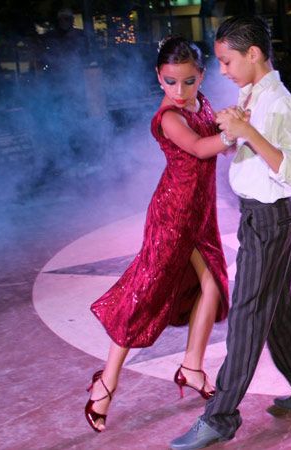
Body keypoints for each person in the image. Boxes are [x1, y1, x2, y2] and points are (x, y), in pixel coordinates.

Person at [170, 16, 291, 449]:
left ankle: (220, 417)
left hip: (271, 216)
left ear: (254, 54)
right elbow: (248, 149)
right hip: (258, 216)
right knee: (276, 309)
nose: (222, 70)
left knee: (247, 314)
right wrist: (234, 129)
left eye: (227, 61)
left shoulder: (279, 102)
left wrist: (247, 132)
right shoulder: (253, 93)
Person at [84, 36, 233, 433]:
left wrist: (238, 137)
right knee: (143, 296)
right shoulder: (169, 116)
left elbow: (217, 145)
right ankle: (106, 383)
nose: (179, 91)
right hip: (173, 216)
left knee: (212, 286)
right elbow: (200, 148)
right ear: (158, 77)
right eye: (170, 81)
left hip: (200, 214)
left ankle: (192, 367)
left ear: (201, 76)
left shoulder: (202, 104)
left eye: (188, 81)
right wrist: (234, 135)